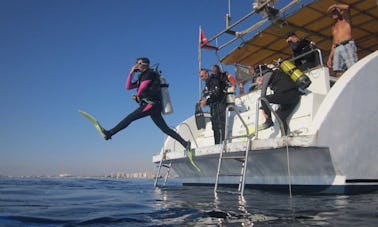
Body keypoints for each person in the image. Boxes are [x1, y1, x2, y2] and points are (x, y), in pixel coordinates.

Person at [100, 57, 191, 151]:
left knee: (130, 117)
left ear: (143, 64)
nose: (136, 65)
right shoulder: (141, 77)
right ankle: (185, 144)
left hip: (152, 104)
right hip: (154, 106)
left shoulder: (149, 73)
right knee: (165, 129)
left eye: (138, 63)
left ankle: (109, 133)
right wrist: (131, 73)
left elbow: (143, 86)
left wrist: (138, 95)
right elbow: (128, 86)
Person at [257, 65, 301, 135]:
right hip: (294, 96)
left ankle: (269, 121)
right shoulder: (277, 74)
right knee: (281, 118)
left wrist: (264, 108)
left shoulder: (267, 75)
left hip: (288, 95)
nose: (258, 81)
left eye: (258, 78)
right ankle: (284, 137)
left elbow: (263, 94)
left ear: (261, 74)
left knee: (263, 99)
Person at [326, 3, 358, 77]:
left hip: (347, 45)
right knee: (337, 70)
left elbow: (347, 7)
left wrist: (334, 5)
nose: (333, 13)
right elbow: (334, 43)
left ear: (340, 12)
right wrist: (330, 58)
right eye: (332, 12)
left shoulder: (346, 20)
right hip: (337, 48)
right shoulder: (333, 27)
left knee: (352, 67)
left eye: (335, 11)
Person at [199, 68, 227, 144]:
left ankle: (224, 142)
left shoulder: (214, 80)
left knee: (221, 124)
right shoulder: (207, 84)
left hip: (220, 103)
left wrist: (206, 101)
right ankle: (217, 143)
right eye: (200, 76)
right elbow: (208, 95)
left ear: (206, 74)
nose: (201, 78)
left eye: (202, 76)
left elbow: (216, 93)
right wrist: (203, 102)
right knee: (215, 126)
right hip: (213, 106)